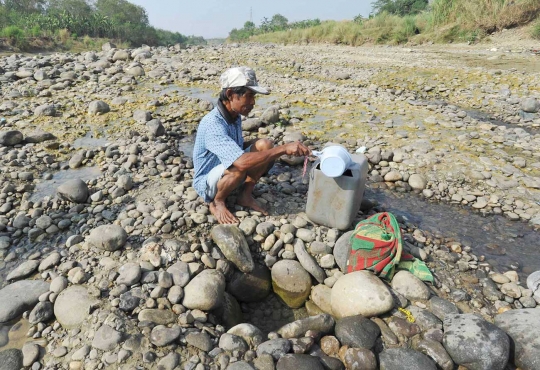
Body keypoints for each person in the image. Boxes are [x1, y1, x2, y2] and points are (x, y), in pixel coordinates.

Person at [193, 66, 311, 224]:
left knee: (265, 145)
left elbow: (237, 146)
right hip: (207, 182)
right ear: (230, 94)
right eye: (249, 96)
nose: (253, 102)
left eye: (253, 96)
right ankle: (217, 202)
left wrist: (273, 148)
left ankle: (244, 195)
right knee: (240, 166)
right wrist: (283, 149)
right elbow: (240, 161)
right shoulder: (213, 124)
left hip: (224, 169)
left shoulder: (234, 116)